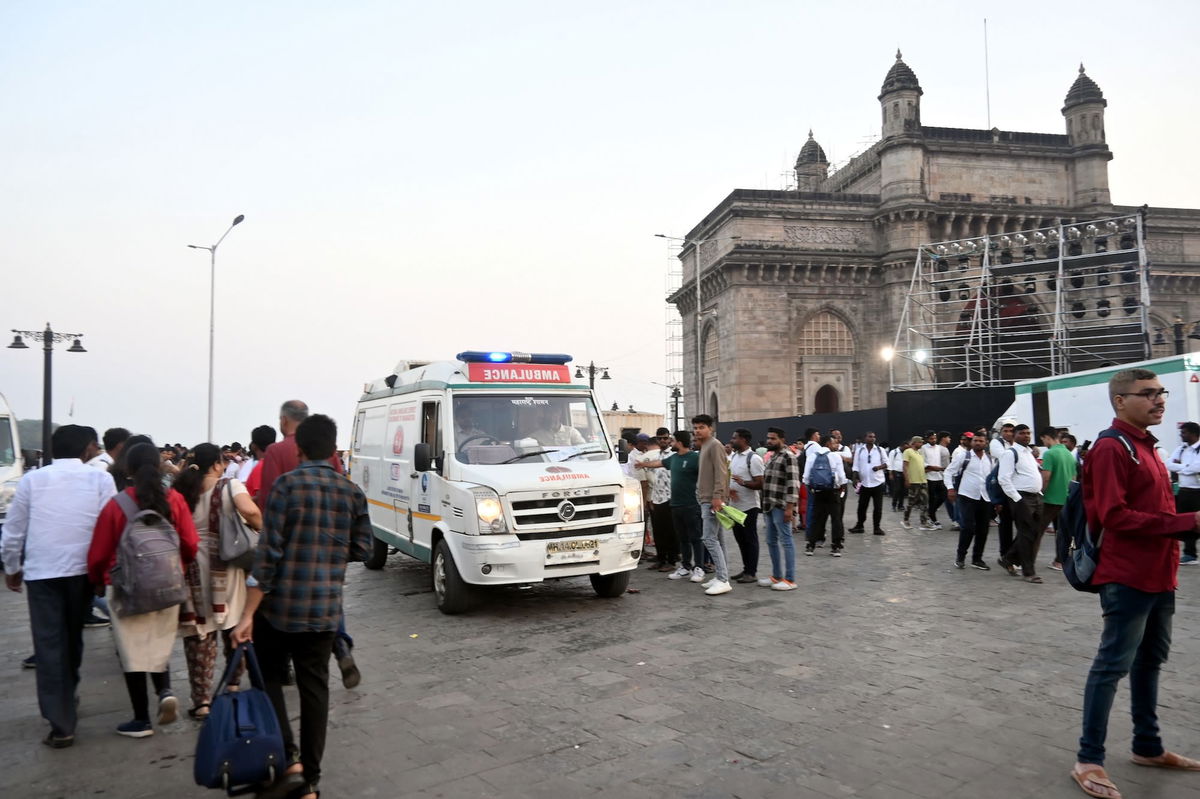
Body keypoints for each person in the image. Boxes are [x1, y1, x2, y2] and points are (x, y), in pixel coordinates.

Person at [1071, 368, 1200, 798]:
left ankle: (1148, 746)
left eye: (1160, 392)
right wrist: (1190, 522)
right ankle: (1089, 760)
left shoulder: (1148, 447)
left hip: (1160, 572)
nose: (1159, 400)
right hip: (1126, 575)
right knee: (1112, 665)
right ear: (1120, 401)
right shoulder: (1113, 447)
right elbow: (1113, 515)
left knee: (1150, 661)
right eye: (1147, 394)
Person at [233, 414, 372, 799]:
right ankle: (310, 781)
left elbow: (269, 555)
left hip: (277, 610)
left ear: (299, 448)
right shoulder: (351, 491)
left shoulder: (284, 487)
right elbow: (364, 548)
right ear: (333, 448)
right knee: (315, 692)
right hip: (324, 610)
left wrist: (246, 614)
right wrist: (329, 552)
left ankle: (289, 758)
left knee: (269, 680)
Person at [2, 425, 116, 748]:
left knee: (49, 644)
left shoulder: (32, 480)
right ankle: (68, 695)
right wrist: (102, 574)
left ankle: (61, 720)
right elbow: (108, 526)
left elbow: (14, 529)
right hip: (82, 571)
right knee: (72, 637)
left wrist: (12, 567)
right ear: (86, 450)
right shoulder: (100, 479)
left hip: (42, 573)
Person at [88, 442, 198, 738]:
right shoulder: (174, 499)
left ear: (128, 469)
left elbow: (99, 552)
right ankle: (164, 690)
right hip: (168, 583)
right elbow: (190, 543)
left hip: (127, 588)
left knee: (132, 653)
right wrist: (179, 568)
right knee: (157, 645)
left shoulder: (117, 504)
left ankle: (141, 720)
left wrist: (97, 577)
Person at [256, 400, 358, 689]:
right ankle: (341, 647)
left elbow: (268, 502)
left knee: (284, 605)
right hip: (328, 542)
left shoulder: (276, 451)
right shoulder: (328, 452)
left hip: (290, 547)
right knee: (329, 596)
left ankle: (285, 665)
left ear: (283, 420)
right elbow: (338, 488)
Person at [173, 444, 263, 719]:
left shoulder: (181, 490)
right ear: (216, 464)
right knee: (234, 624)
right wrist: (259, 527)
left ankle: (201, 701)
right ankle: (233, 684)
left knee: (200, 635)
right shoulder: (230, 485)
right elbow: (250, 511)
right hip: (225, 567)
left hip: (191, 569)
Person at [997, 424, 1046, 583]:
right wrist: (1017, 499)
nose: (1026, 436)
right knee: (1026, 534)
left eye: (1028, 433)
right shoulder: (1010, 453)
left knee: (1034, 533)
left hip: (1036, 497)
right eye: (1022, 433)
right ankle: (1028, 571)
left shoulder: (1028, 453)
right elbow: (1003, 478)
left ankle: (1008, 558)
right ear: (1014, 435)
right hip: (1021, 497)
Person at [692, 414, 732, 596]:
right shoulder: (705, 445)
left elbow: (721, 473)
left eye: (701, 427)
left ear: (711, 428)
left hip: (712, 499)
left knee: (709, 538)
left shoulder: (715, 445)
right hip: (706, 497)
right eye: (695, 427)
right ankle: (721, 576)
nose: (697, 430)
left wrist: (717, 497)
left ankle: (723, 580)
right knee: (718, 539)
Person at [945, 432, 993, 570]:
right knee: (968, 528)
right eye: (975, 440)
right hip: (967, 496)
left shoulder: (989, 459)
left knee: (983, 529)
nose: (978, 443)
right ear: (971, 442)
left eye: (981, 441)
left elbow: (991, 480)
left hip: (985, 498)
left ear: (986, 443)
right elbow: (949, 472)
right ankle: (960, 557)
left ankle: (977, 559)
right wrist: (950, 489)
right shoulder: (963, 456)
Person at [758, 427, 799, 590]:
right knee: (771, 541)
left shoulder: (788, 456)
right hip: (769, 504)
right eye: (768, 438)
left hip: (781, 505)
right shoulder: (773, 456)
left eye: (773, 438)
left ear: (782, 439)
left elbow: (793, 483)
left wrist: (790, 507)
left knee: (786, 541)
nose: (769, 441)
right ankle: (776, 576)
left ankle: (790, 579)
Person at [727, 428, 764, 584]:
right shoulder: (734, 456)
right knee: (740, 539)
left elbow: (760, 483)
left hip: (749, 506)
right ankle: (746, 568)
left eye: (735, 438)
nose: (732, 440)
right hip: (734, 506)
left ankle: (751, 572)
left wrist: (744, 483)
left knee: (750, 539)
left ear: (744, 440)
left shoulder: (753, 458)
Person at [1039, 426, 1078, 572]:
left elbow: (1046, 477)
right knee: (1062, 532)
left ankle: (1022, 561)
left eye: (1043, 440)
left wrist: (1041, 492)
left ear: (1046, 437)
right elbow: (1074, 478)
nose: (1044, 444)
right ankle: (1060, 561)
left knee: (1037, 531)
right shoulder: (1068, 455)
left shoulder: (1049, 454)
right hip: (1065, 498)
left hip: (1050, 499)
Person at [803, 434, 848, 556]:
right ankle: (836, 546)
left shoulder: (812, 456)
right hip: (833, 492)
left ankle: (811, 545)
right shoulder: (835, 456)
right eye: (834, 443)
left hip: (818, 491)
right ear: (828, 443)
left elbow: (806, 477)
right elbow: (842, 477)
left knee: (816, 518)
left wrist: (811, 488)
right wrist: (841, 487)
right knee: (836, 519)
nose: (835, 445)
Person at [1165, 421, 1200, 565]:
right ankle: (1190, 554)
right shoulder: (1181, 449)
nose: (1181, 435)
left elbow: (1198, 467)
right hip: (1184, 492)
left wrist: (1180, 468)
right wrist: (1186, 467)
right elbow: (1168, 464)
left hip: (1198, 492)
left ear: (1193, 433)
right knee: (1186, 523)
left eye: (1184, 432)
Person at [849, 431, 887, 535]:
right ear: (865, 438)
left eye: (874, 437)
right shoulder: (859, 451)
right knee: (861, 506)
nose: (872, 438)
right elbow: (855, 465)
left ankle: (877, 528)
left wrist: (879, 467)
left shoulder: (880, 450)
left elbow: (887, 463)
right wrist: (854, 478)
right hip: (864, 483)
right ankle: (859, 526)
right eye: (870, 437)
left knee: (878, 507)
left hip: (878, 482)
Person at [901, 436, 933, 530]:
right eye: (920, 442)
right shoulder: (908, 452)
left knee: (925, 502)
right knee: (911, 502)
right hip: (914, 481)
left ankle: (924, 523)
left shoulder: (919, 453)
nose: (922, 444)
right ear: (915, 442)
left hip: (923, 481)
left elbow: (920, 467)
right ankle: (905, 520)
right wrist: (907, 479)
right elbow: (905, 466)